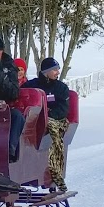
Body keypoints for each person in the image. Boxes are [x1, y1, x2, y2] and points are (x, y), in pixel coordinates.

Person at [23, 57, 71, 192]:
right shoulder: (32, 85)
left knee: (53, 130)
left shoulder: (61, 88)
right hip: (33, 120)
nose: (57, 72)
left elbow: (63, 109)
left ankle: (56, 173)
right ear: (46, 71)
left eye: (57, 69)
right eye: (54, 69)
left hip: (56, 121)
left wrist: (48, 115)